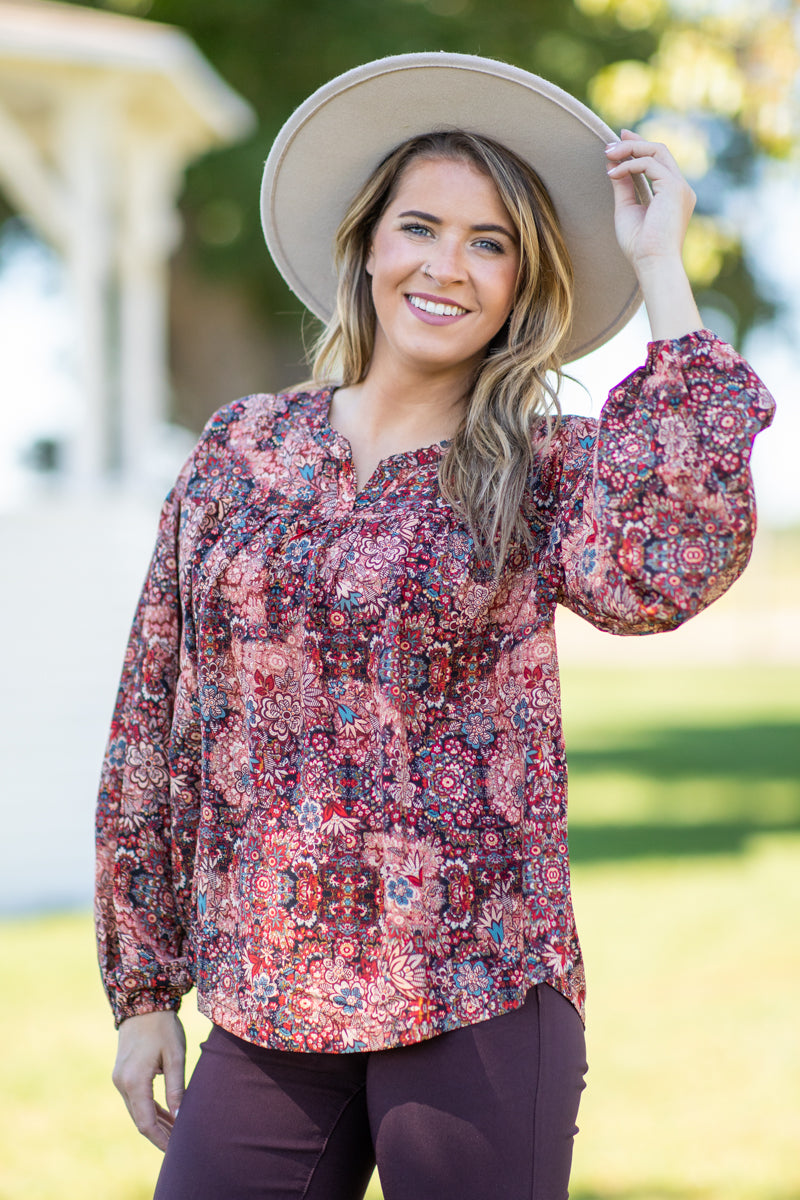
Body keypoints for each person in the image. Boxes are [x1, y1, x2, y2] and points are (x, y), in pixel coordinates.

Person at [95, 53, 775, 1200]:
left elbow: (667, 568)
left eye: (489, 242)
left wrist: (658, 265)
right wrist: (144, 991)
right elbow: (152, 723)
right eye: (420, 226)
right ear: (368, 244)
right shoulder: (240, 451)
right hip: (267, 994)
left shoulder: (542, 468)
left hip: (479, 987)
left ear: (519, 285)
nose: (446, 266)